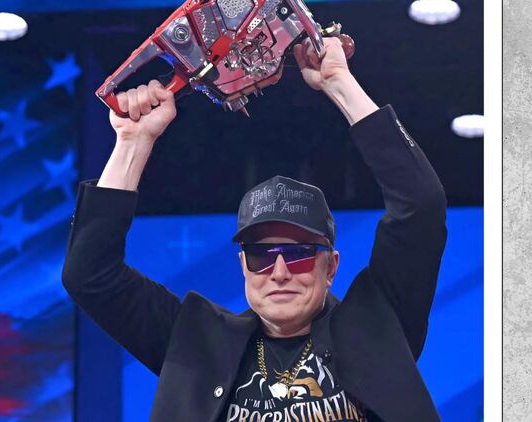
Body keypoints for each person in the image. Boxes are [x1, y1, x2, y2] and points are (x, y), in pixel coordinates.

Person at [63, 37, 447, 421]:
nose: (279, 272)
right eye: (261, 255)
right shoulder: (197, 344)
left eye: (298, 255)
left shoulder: (379, 327)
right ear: (243, 266)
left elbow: (420, 206)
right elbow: (90, 275)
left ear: (330, 266)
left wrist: (339, 83)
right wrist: (132, 143)